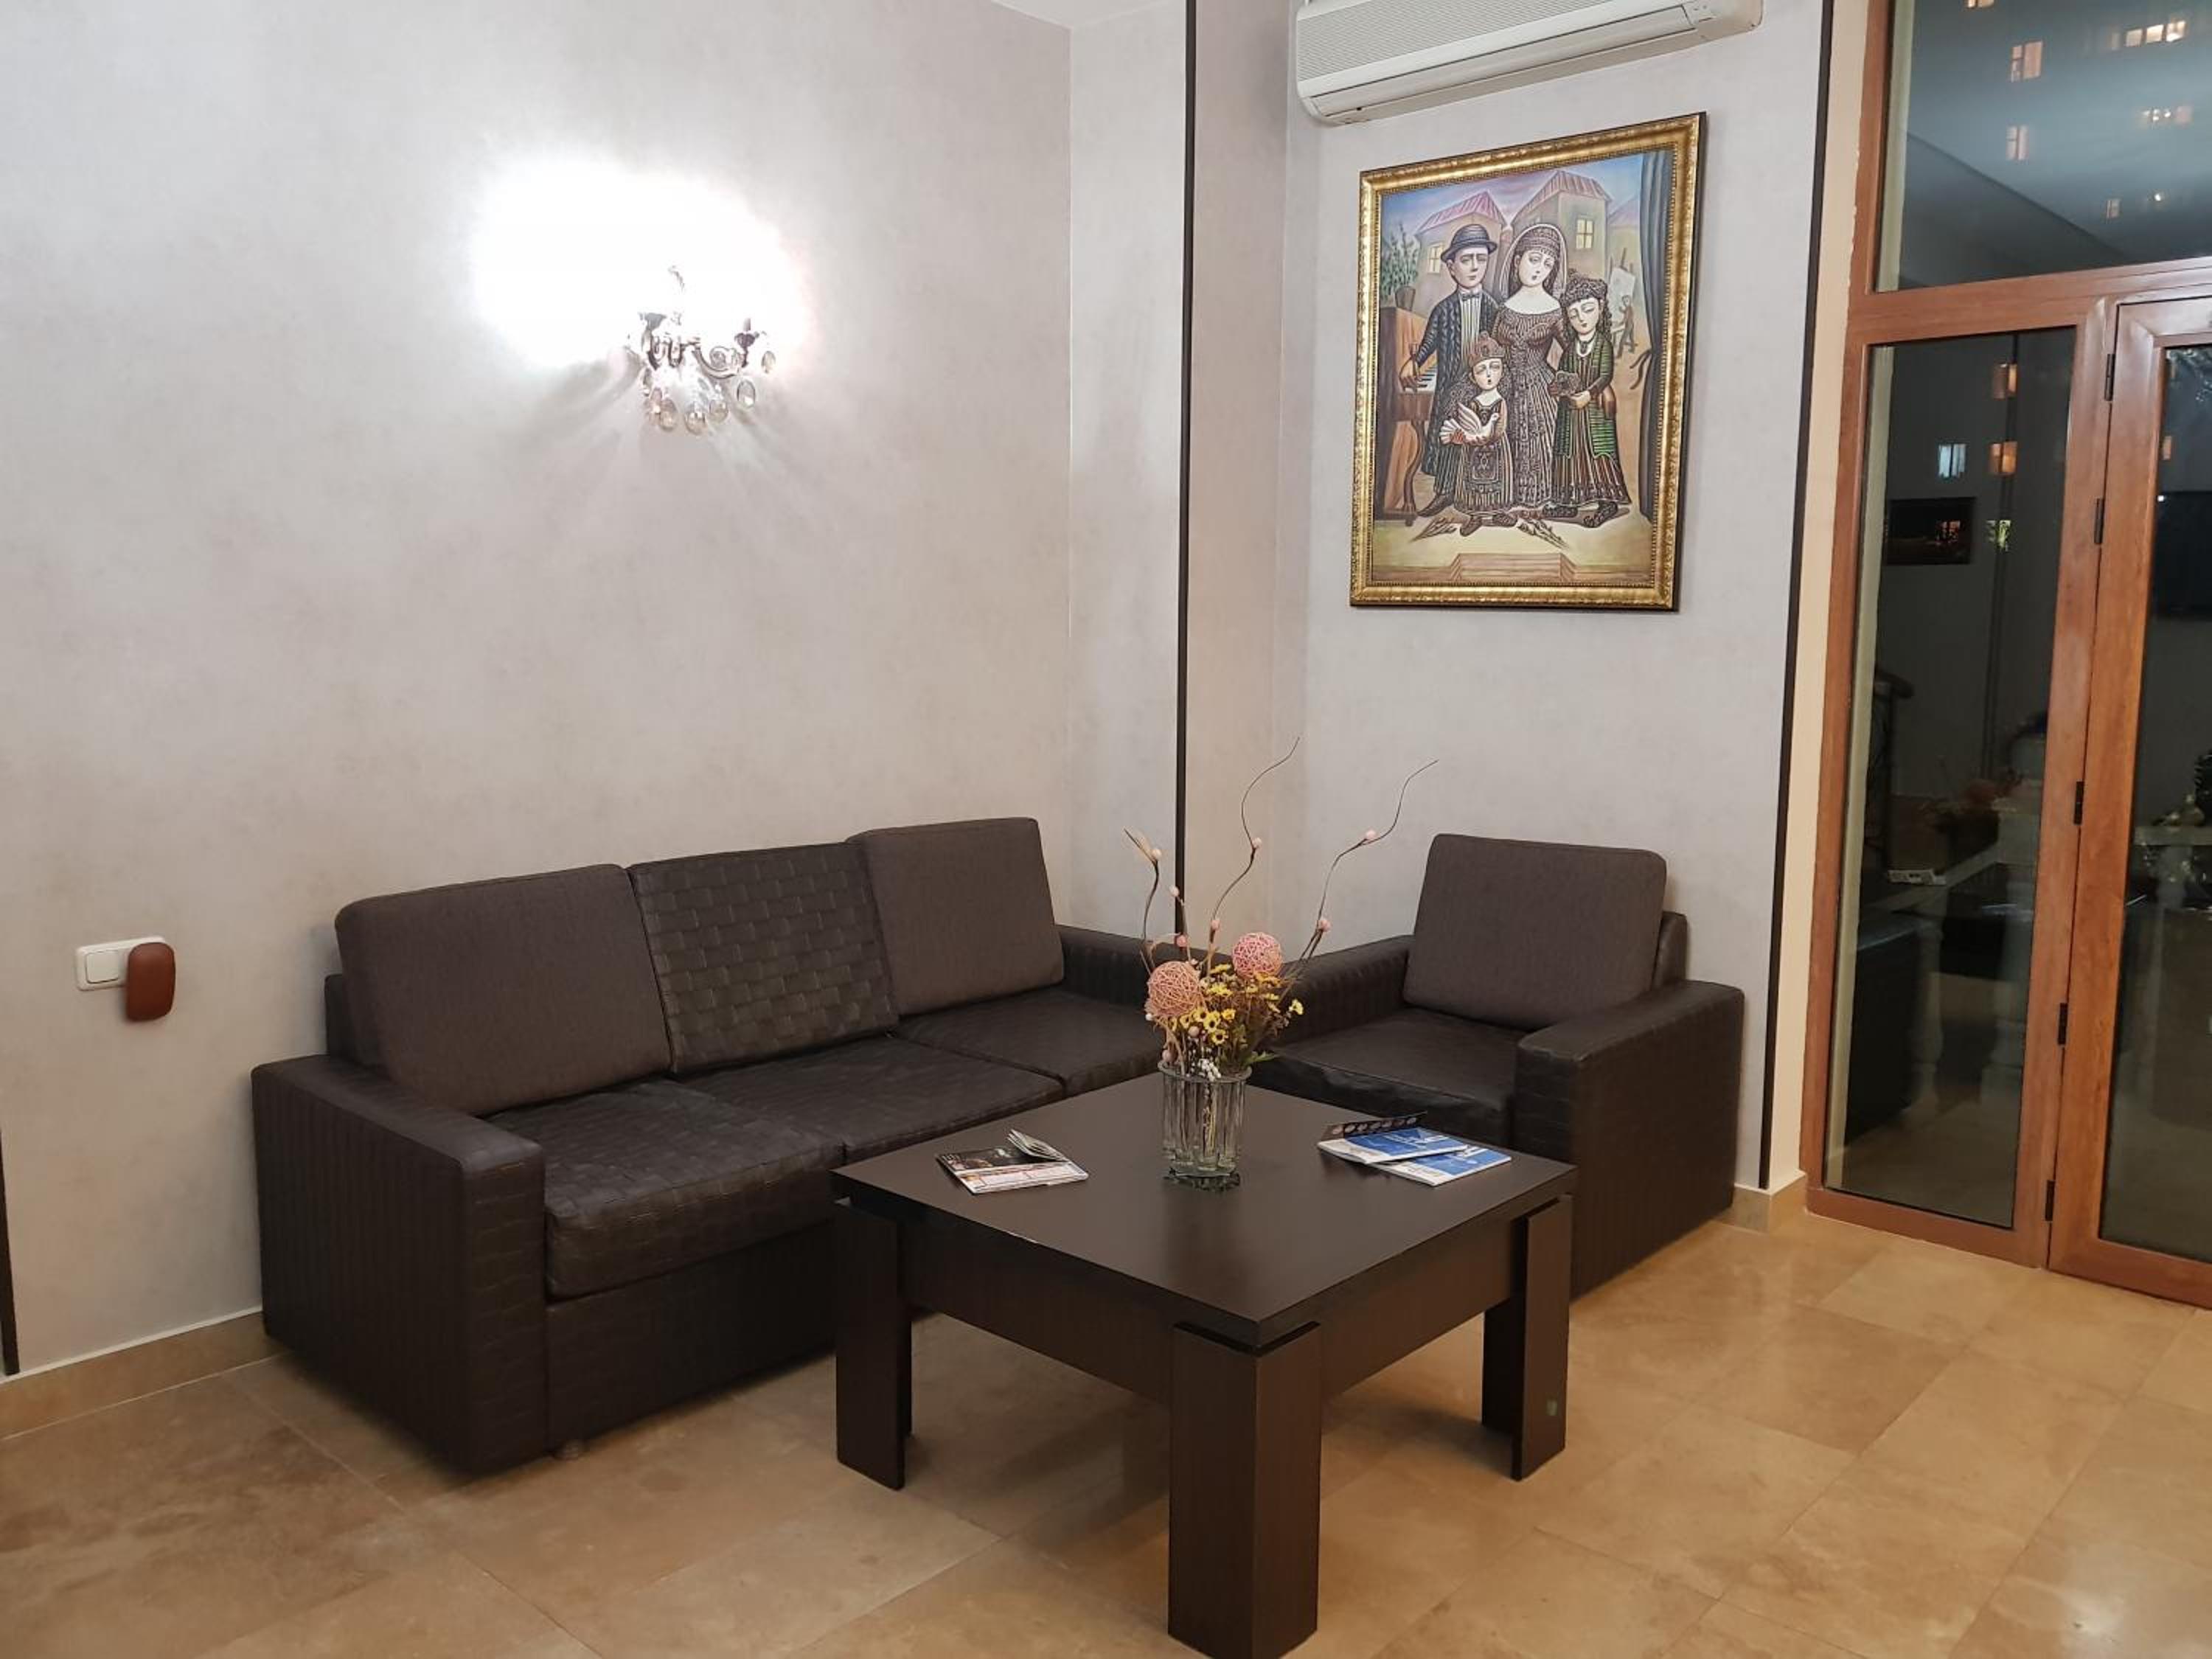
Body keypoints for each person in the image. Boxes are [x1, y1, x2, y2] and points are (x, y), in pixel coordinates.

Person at [1397, 223, 1499, 515]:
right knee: (1448, 438)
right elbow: (1428, 343)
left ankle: (1480, 495)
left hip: (1483, 386)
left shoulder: (1493, 307)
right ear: (1452, 268)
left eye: (1481, 259)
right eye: (1466, 260)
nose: (1475, 266)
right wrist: (1414, 362)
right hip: (1450, 386)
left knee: (1482, 440)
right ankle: (1445, 492)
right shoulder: (1443, 310)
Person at [1492, 223, 1567, 515]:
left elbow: (1574, 353)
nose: (1540, 269)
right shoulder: (1504, 310)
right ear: (1517, 261)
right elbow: (1493, 353)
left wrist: (1568, 382)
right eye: (1534, 259)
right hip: (1507, 389)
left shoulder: (1555, 310)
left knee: (1542, 444)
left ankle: (1541, 498)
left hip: (1542, 390)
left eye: (1548, 264)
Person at [1546, 274, 1632, 526]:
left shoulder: (1603, 344)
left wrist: (1588, 394)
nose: (1582, 319)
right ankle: (1568, 503)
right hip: (1571, 413)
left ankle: (1607, 503)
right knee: (1569, 451)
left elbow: (1605, 375)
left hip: (1595, 411)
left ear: (1600, 308)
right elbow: (1563, 376)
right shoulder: (1570, 350)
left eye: (1587, 310)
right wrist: (1559, 388)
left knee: (1599, 452)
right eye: (1574, 315)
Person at [1437, 335, 1512, 529]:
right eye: (1481, 370)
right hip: (1473, 451)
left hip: (1496, 448)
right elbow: (1467, 426)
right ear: (1472, 377)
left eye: (1494, 368)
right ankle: (1475, 517)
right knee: (1473, 483)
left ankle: (1498, 512)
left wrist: (1487, 436)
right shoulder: (1473, 403)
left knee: (1498, 481)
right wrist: (1461, 438)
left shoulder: (1501, 402)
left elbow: (1500, 429)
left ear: (1503, 371)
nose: (1488, 375)